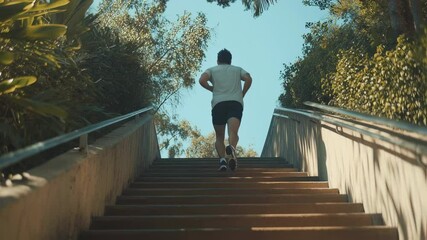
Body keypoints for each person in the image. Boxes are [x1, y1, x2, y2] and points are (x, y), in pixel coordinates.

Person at [199, 49, 252, 171]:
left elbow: (202, 80)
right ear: (230, 60)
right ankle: (232, 149)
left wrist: (211, 88)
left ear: (218, 60)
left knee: (219, 136)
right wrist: (242, 93)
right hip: (235, 103)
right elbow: (248, 78)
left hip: (218, 104)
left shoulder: (212, 70)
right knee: (233, 133)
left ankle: (222, 160)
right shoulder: (237, 69)